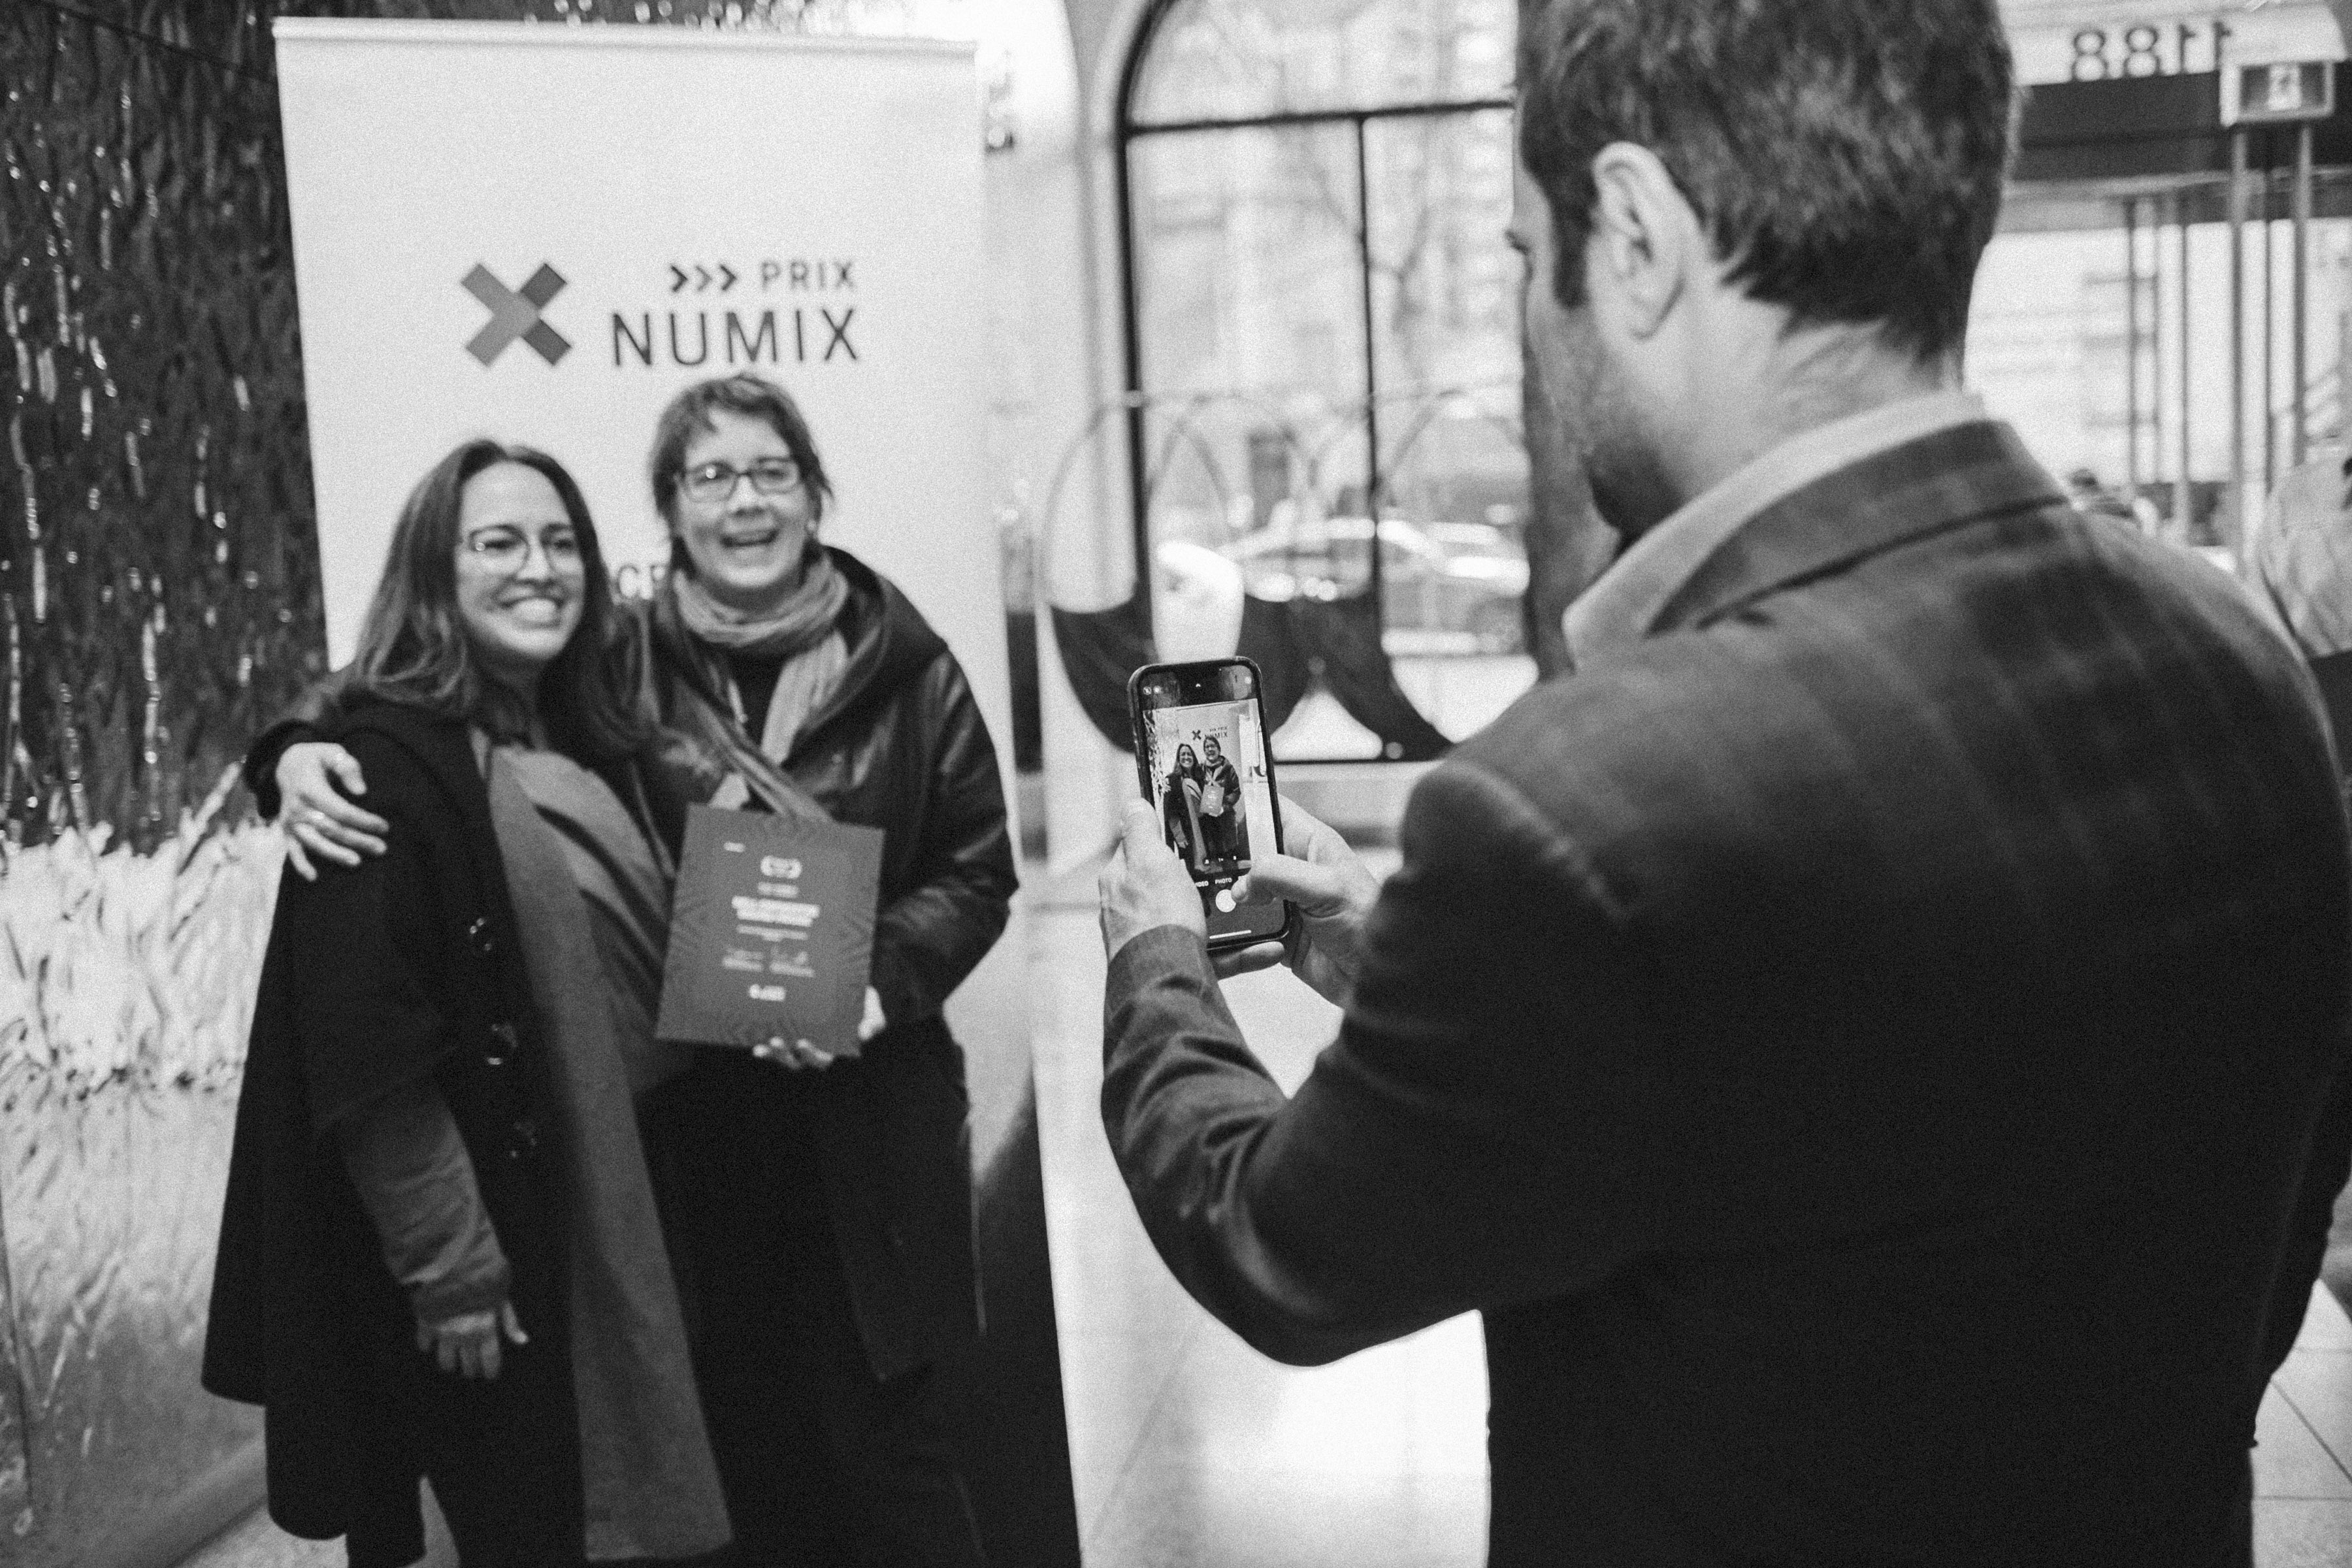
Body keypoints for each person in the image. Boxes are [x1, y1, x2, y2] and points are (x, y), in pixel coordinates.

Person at [1094, 3, 2352, 1564]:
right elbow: (2236, 1218)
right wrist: (1420, 974)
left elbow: (1281, 1245)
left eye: (1522, 255)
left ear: (1633, 238)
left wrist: (1158, 954)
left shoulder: (1577, 810)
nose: (1529, 318)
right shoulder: (2241, 667)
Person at [251, 373, 1015, 1567]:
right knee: (737, 1456)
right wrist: (294, 753)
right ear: (671, 511)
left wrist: (868, 992)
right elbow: (389, 697)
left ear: (814, 495)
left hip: (864, 1125)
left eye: (772, 472)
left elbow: (976, 872)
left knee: (891, 1454)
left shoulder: (906, 666)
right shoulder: (618, 659)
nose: (745, 501)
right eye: (712, 476)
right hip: (700, 1146)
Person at [203, 441, 730, 1567]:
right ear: (435, 574)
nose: (539, 568)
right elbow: (369, 1056)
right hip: (496, 1260)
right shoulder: (375, 770)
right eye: (499, 543)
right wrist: (453, 1270)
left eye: (560, 543)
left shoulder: (584, 732)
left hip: (626, 1209)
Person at [1195, 734, 1246, 871]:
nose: (1210, 749)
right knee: (1213, 860)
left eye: (1213, 746)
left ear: (1219, 749)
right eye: (1207, 747)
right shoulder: (1200, 769)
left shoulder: (1228, 768)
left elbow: (1236, 792)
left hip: (1225, 819)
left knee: (1229, 858)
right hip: (1208, 821)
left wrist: (1223, 807)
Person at [1162, 742, 1205, 872]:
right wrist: (1179, 837)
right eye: (1183, 754)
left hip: (1203, 832)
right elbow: (1170, 813)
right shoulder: (1172, 780)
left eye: (1189, 754)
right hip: (1187, 834)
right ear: (1178, 759)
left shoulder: (1201, 778)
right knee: (1194, 871)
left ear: (1194, 757)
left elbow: (1211, 806)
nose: (1186, 757)